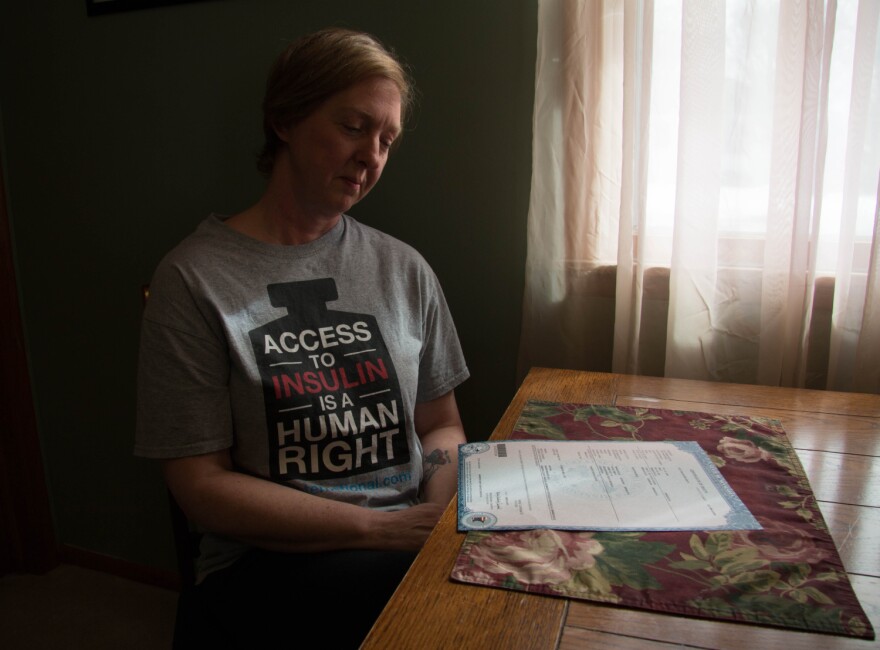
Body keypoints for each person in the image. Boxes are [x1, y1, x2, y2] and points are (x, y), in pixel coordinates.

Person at [134, 27, 469, 649]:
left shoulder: (403, 268)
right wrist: (384, 533)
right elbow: (199, 485)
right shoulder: (193, 278)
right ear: (285, 119)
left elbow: (440, 424)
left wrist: (439, 520)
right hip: (267, 564)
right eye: (353, 126)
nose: (371, 154)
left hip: (405, 536)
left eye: (387, 140)